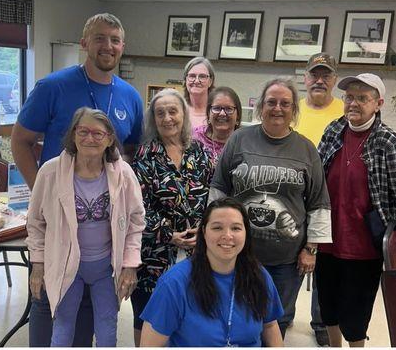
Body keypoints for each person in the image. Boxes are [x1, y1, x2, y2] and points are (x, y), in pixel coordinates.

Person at [11, 13, 144, 347]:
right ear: (84, 43)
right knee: (52, 316)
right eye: (99, 38)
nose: (108, 46)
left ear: (122, 47)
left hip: (102, 248)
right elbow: (20, 141)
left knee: (96, 324)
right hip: (60, 238)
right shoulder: (53, 86)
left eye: (115, 40)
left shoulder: (130, 96)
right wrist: (46, 195)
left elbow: (129, 152)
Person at [210, 78, 332, 338]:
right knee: (234, 313)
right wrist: (213, 236)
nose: (277, 108)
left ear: (293, 110)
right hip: (238, 253)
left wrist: (311, 249)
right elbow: (219, 189)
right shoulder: (239, 140)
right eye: (271, 102)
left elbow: (319, 203)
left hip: (286, 260)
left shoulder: (306, 150)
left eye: (285, 103)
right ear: (260, 107)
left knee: (277, 319)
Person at [26, 107, 145, 347]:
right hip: (68, 265)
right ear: (72, 135)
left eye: (98, 133)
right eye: (83, 131)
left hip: (105, 268)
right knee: (62, 328)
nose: (90, 138)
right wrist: (38, 265)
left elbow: (135, 221)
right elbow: (36, 223)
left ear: (109, 139)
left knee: (107, 330)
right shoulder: (50, 172)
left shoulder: (123, 174)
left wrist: (130, 265)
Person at [315, 73, 396, 347]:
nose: (353, 103)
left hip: (364, 247)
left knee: (355, 317)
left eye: (362, 98)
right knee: (328, 308)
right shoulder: (333, 130)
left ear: (378, 103)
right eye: (349, 97)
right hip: (327, 240)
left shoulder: (388, 141)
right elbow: (315, 180)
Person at [139, 198, 284, 347]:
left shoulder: (258, 275)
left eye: (236, 228)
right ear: (204, 232)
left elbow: (270, 326)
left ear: (246, 233)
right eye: (217, 228)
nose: (227, 235)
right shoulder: (174, 283)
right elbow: (150, 345)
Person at [131, 88, 213, 346]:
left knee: (191, 313)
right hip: (155, 252)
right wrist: (169, 235)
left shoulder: (199, 151)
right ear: (153, 119)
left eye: (173, 111)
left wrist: (205, 229)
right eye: (160, 113)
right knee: (148, 316)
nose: (167, 118)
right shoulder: (144, 156)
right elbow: (137, 207)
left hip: (197, 250)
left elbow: (213, 195)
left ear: (183, 115)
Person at [295, 52, 344, 346]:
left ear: (334, 80)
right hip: (295, 202)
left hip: (332, 202)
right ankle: (282, 316)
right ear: (305, 78)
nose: (320, 80)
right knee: (294, 261)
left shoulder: (343, 110)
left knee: (326, 266)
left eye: (326, 75)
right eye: (315, 74)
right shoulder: (293, 110)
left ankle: (322, 322)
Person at [192, 86, 242, 167]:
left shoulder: (245, 143)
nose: (222, 113)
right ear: (208, 113)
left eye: (229, 109)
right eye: (217, 108)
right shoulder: (194, 137)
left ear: (238, 116)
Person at [183, 57, 215, 129]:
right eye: (192, 76)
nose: (197, 81)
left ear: (210, 81)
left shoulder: (217, 111)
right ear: (185, 80)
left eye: (202, 76)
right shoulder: (178, 110)